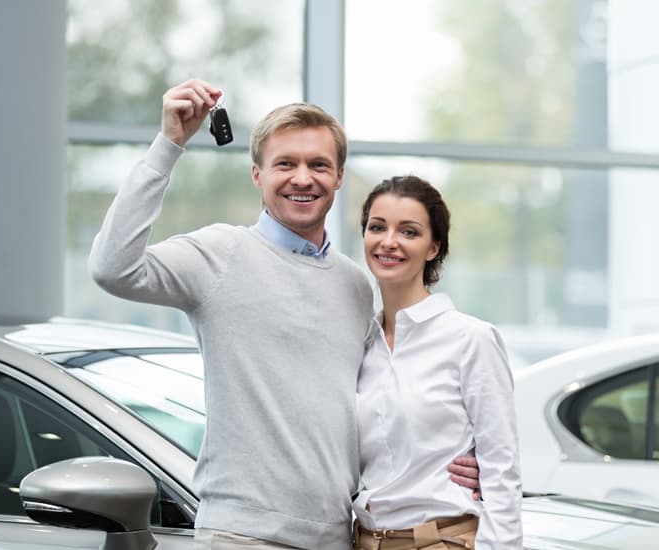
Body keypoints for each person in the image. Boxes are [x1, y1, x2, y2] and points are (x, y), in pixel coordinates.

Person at [88, 79, 479, 550]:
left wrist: (453, 457)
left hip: (339, 536)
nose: (302, 178)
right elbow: (112, 268)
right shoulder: (220, 254)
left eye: (318, 164)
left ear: (338, 177)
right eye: (285, 164)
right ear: (258, 175)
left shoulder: (356, 284)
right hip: (242, 535)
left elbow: (380, 406)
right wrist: (169, 144)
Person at [351, 176, 523, 549]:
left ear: (433, 248)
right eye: (377, 227)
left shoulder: (469, 339)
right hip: (364, 540)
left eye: (409, 231)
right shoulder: (361, 345)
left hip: (441, 541)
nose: (389, 241)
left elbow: (502, 469)